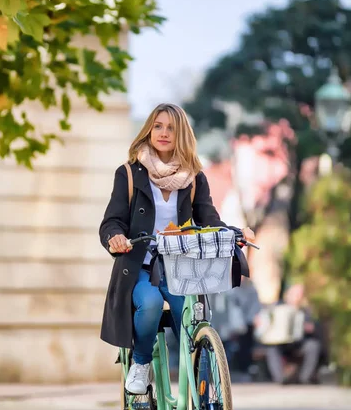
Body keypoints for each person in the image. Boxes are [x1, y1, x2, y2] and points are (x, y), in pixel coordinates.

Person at [98, 103, 255, 395]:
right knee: (152, 304)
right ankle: (142, 363)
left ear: (181, 133)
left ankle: (204, 378)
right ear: (149, 129)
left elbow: (209, 219)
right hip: (141, 266)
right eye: (158, 126)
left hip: (181, 266)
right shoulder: (130, 174)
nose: (164, 133)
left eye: (171, 127)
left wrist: (234, 233)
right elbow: (112, 221)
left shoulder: (194, 178)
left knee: (194, 315)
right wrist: (115, 237)